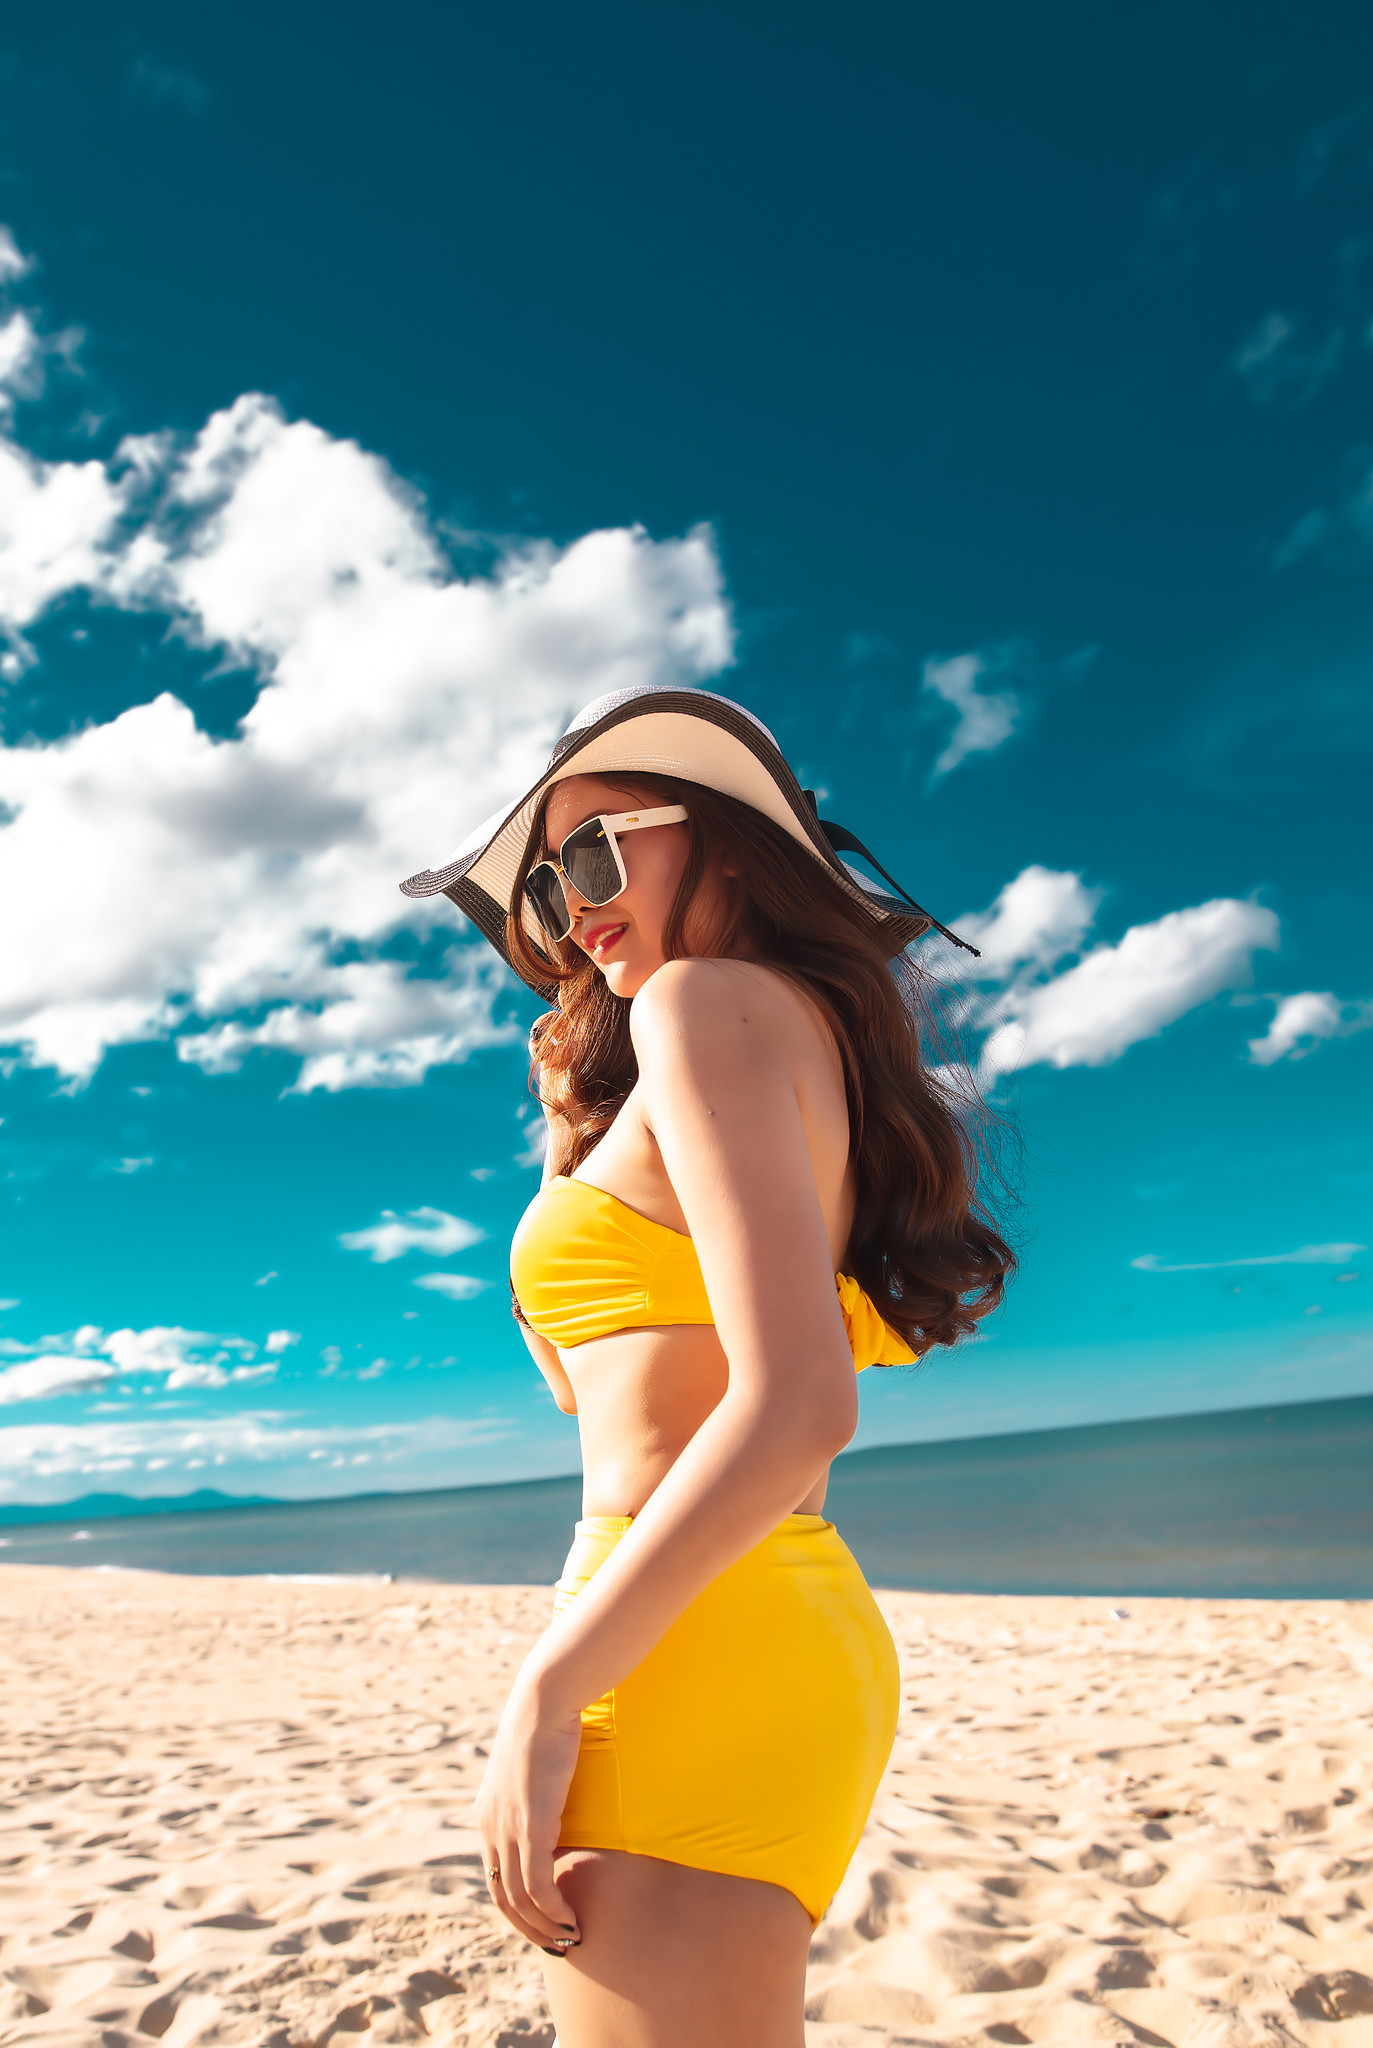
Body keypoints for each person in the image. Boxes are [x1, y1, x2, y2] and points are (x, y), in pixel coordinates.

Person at [400, 684, 1013, 2047]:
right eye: (550, 891)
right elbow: (614, 1374)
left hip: (678, 1639)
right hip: (750, 1620)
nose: (573, 908)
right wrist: (572, 1123)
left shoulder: (699, 1005)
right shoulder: (754, 1034)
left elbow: (799, 1404)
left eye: (598, 856)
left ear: (726, 845)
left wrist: (549, 1689)